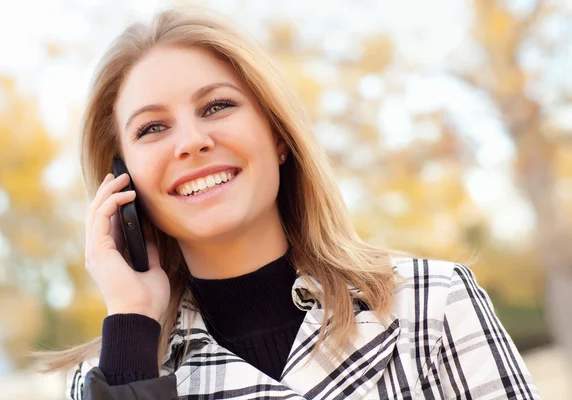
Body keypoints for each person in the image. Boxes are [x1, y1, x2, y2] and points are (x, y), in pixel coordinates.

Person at [40, 7, 541, 400]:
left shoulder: (430, 303)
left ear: (277, 135)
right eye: (152, 128)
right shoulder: (111, 374)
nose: (190, 142)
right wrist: (131, 324)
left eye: (217, 106)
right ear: (122, 181)